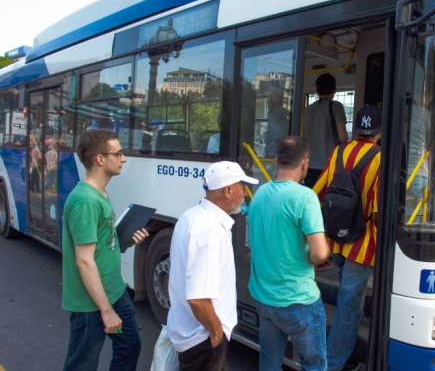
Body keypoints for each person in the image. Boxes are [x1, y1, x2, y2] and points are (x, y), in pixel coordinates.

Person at [61, 129, 149, 371]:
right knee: (82, 364)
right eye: (118, 153)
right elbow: (84, 262)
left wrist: (127, 239)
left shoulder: (99, 193)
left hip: (114, 291)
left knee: (130, 347)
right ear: (100, 159)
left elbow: (102, 244)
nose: (124, 158)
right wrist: (106, 311)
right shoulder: (86, 201)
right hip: (92, 304)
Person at [247, 136, 330, 371]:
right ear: (305, 163)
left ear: (276, 160)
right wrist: (318, 256)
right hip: (298, 301)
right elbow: (320, 253)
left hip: (264, 298)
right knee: (314, 365)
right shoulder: (305, 198)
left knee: (269, 363)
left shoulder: (259, 194)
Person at [167, 161, 258, 371]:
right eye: (242, 187)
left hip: (194, 335)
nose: (244, 194)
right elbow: (198, 298)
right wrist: (217, 334)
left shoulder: (193, 215)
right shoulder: (210, 232)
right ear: (228, 191)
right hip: (203, 340)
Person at [313, 106, 382, 371]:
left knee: (350, 301)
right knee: (348, 306)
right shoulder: (379, 158)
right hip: (362, 247)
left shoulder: (339, 151)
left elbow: (318, 192)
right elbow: (377, 211)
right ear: (378, 132)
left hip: (335, 242)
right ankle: (333, 363)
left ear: (356, 129)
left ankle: (347, 353)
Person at [302, 74, 348, 188]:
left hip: (308, 166)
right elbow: (343, 137)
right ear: (335, 90)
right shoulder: (336, 107)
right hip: (328, 165)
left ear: (317, 91)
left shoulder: (307, 110)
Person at [263, 92, 290, 158]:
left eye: (269, 102)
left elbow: (280, 138)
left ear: (272, 103)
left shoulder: (274, 116)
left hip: (273, 154)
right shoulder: (287, 113)